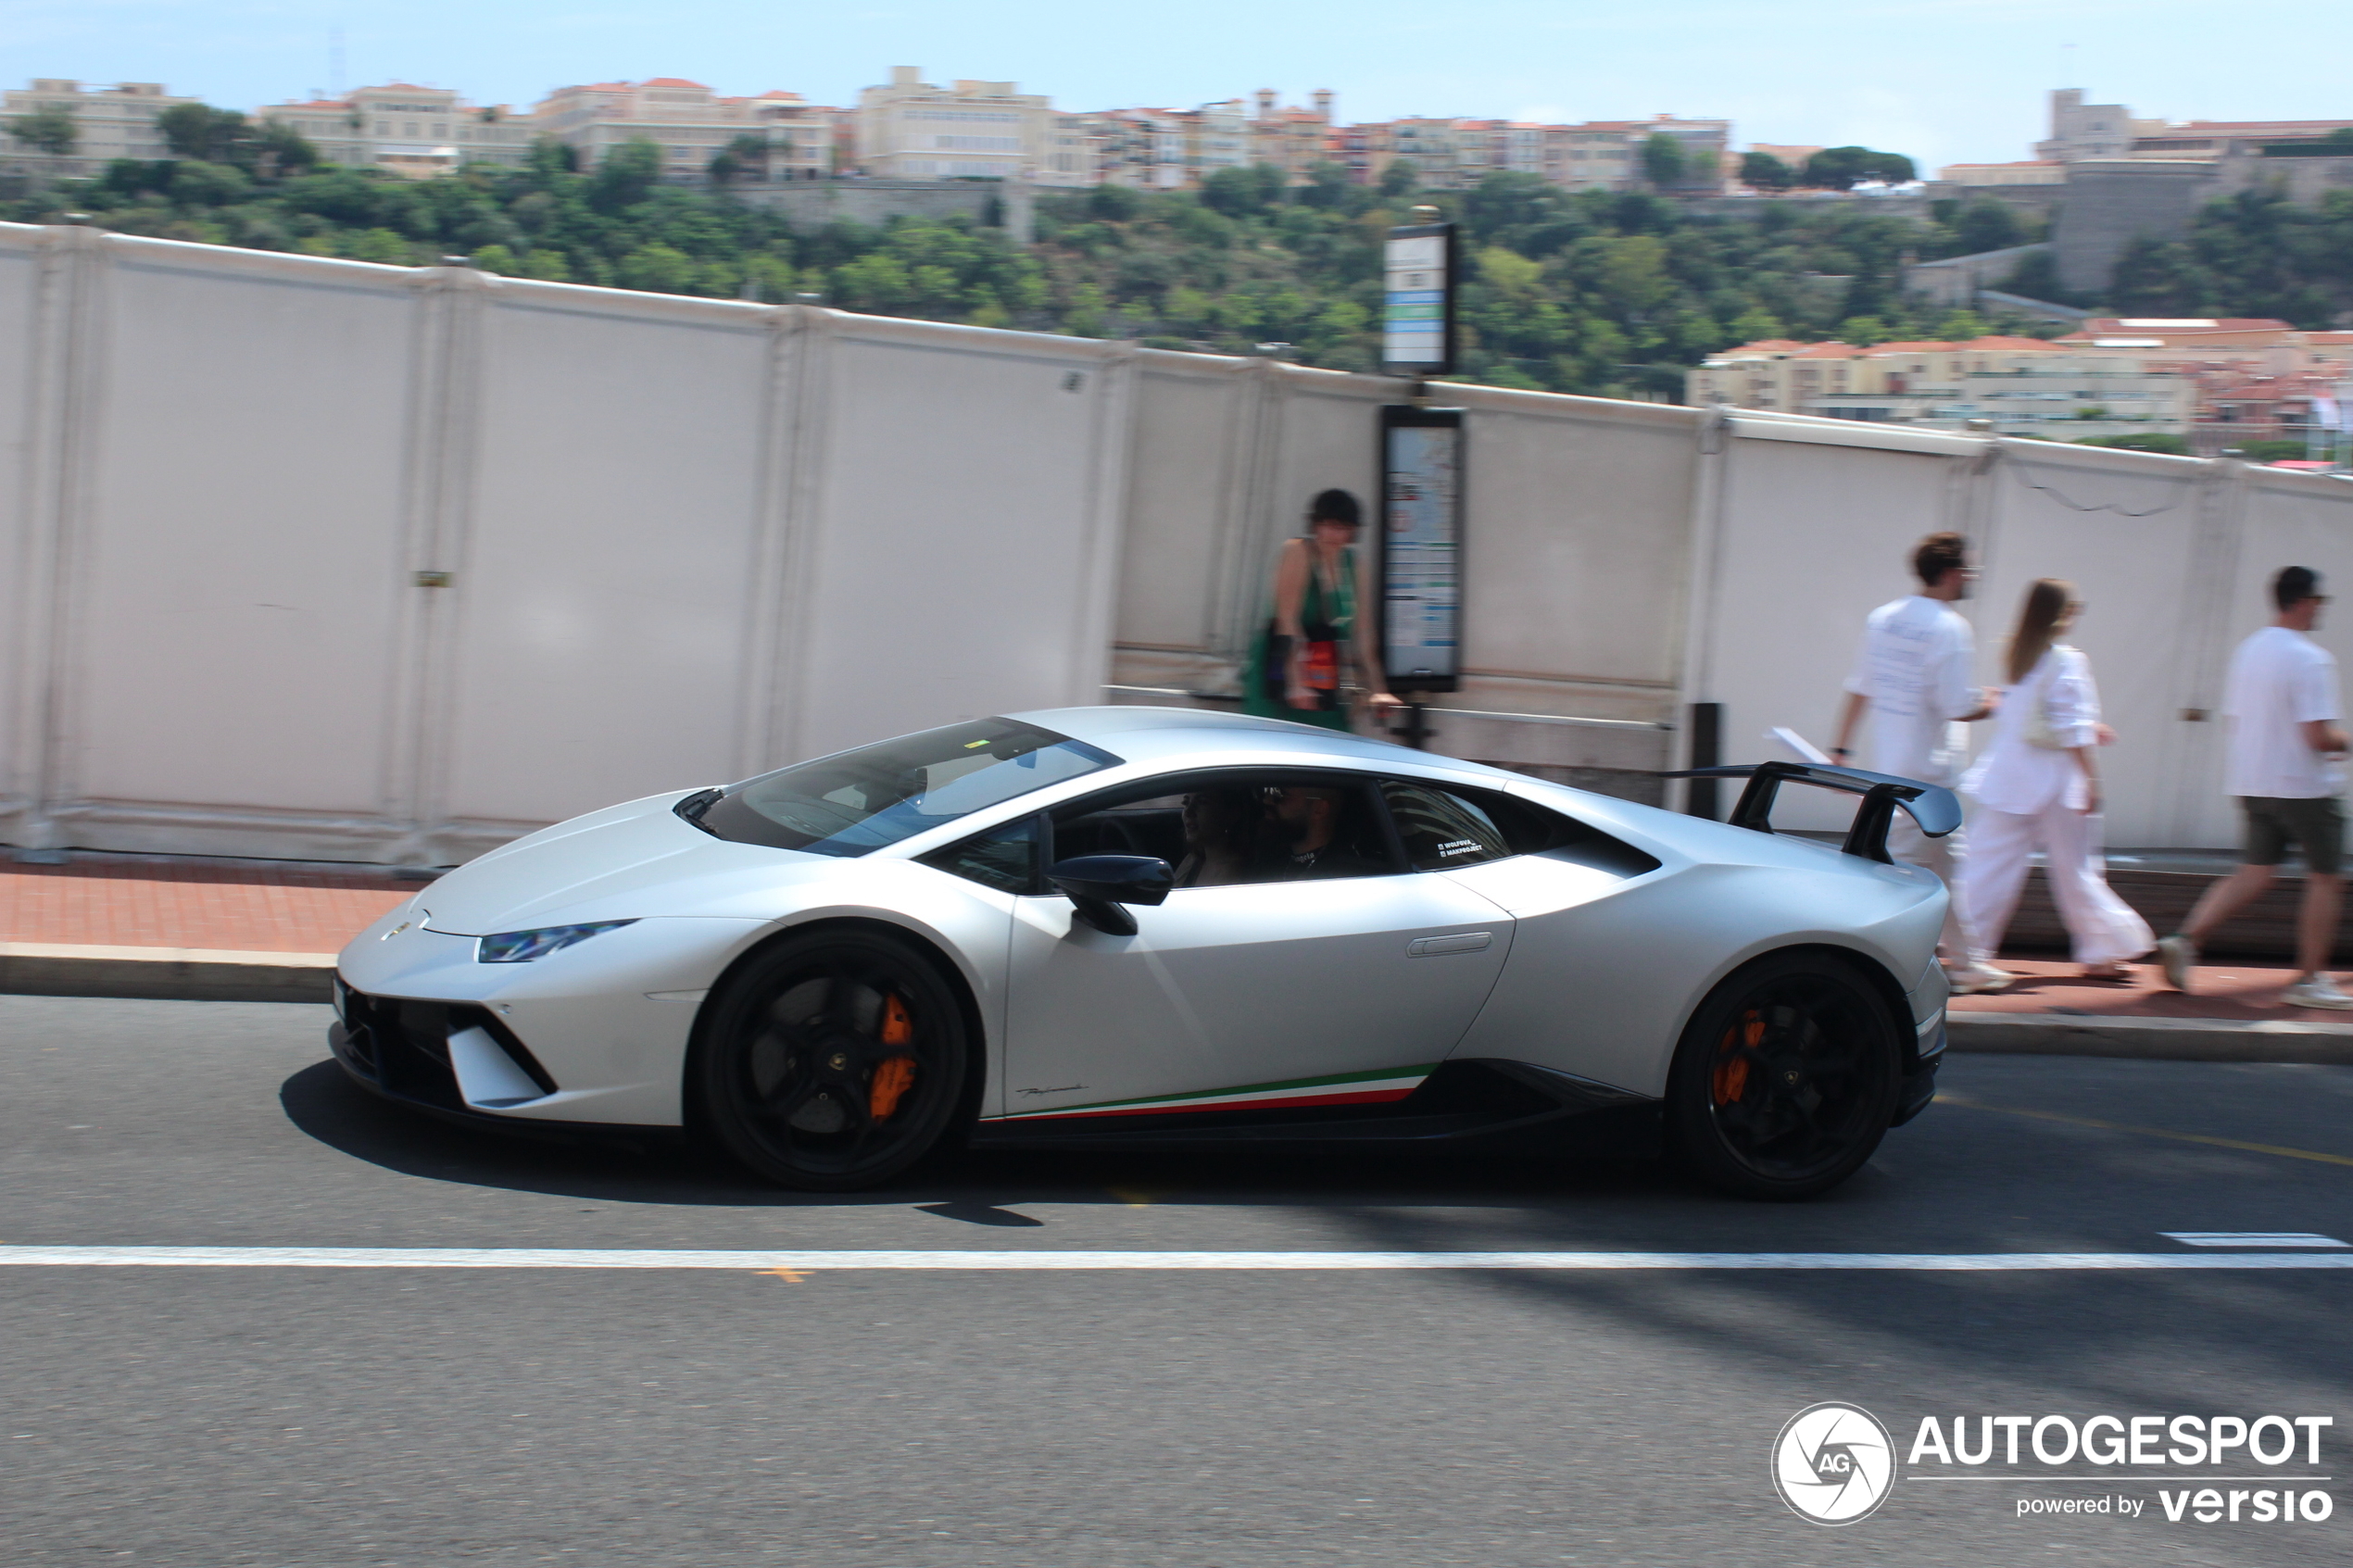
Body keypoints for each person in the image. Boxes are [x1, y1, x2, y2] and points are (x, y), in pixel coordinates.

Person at [2157, 567, 2353, 1009]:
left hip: (2254, 781)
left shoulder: (2249, 651)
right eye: (2320, 600)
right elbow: (2319, 738)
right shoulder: (2311, 658)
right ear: (2305, 601)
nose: (2321, 608)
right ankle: (2310, 979)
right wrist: (2346, 742)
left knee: (2254, 871)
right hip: (2306, 788)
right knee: (2326, 880)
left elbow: (2235, 719)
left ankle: (2186, 938)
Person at [1829, 532, 2007, 993]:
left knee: (1944, 868)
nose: (1971, 577)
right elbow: (1956, 704)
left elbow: (1861, 686)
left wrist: (1842, 748)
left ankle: (1968, 964)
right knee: (1888, 877)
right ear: (1951, 573)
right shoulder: (1950, 627)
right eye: (1969, 569)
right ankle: (1850, 961)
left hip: (1892, 770)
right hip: (1929, 776)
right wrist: (1997, 701)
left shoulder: (1883, 619)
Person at [1959, 581, 2152, 980]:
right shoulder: (2068, 660)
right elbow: (2072, 728)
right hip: (2055, 782)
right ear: (2063, 614)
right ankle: (2104, 948)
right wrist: (2092, 780)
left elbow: (2027, 716)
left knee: (1985, 865)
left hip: (2008, 776)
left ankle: (1963, 945)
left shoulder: (2017, 655)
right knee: (2075, 870)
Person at [1241, 488, 1404, 733]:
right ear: (1315, 525)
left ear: (1352, 531)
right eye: (1328, 525)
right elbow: (1287, 619)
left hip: (1323, 669)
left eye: (1342, 527)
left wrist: (1378, 690)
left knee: (1333, 737)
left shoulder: (1353, 564)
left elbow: (1364, 632)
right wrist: (1296, 684)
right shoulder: (1298, 551)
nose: (1334, 534)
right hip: (1283, 670)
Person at [1263, 784, 1384, 881]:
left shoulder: (1348, 875)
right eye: (1269, 790)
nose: (1267, 800)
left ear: (1319, 809)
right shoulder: (1270, 859)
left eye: (1280, 794)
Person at [1173, 787, 1260, 887]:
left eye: (1202, 802)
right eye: (1186, 803)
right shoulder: (1194, 859)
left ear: (1232, 813)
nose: (1188, 812)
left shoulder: (1232, 874)